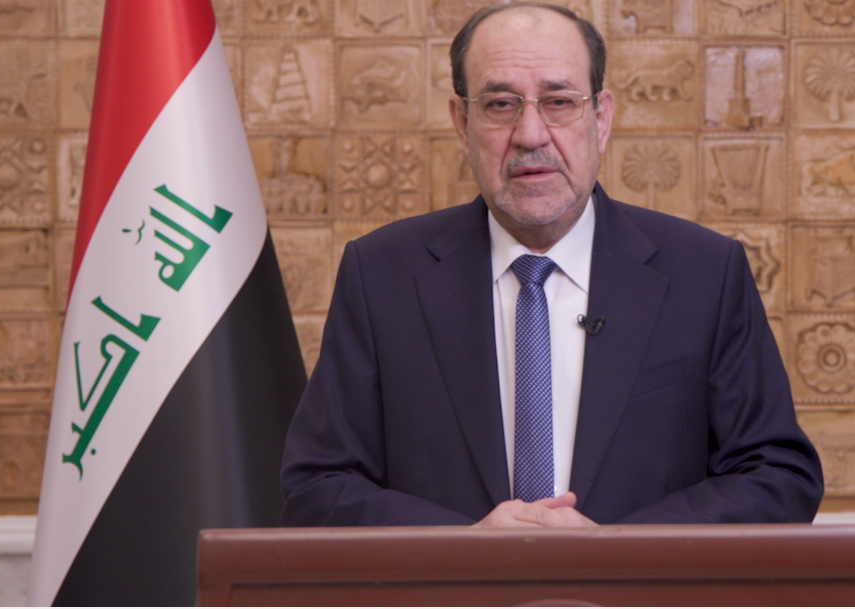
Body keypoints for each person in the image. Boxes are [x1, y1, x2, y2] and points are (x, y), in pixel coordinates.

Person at [280, 2, 822, 527]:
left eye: (559, 101)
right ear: (462, 123)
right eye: (500, 104)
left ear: (601, 119)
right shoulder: (381, 275)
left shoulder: (705, 273)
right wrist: (460, 549)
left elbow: (777, 476)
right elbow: (317, 487)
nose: (531, 134)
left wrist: (616, 554)